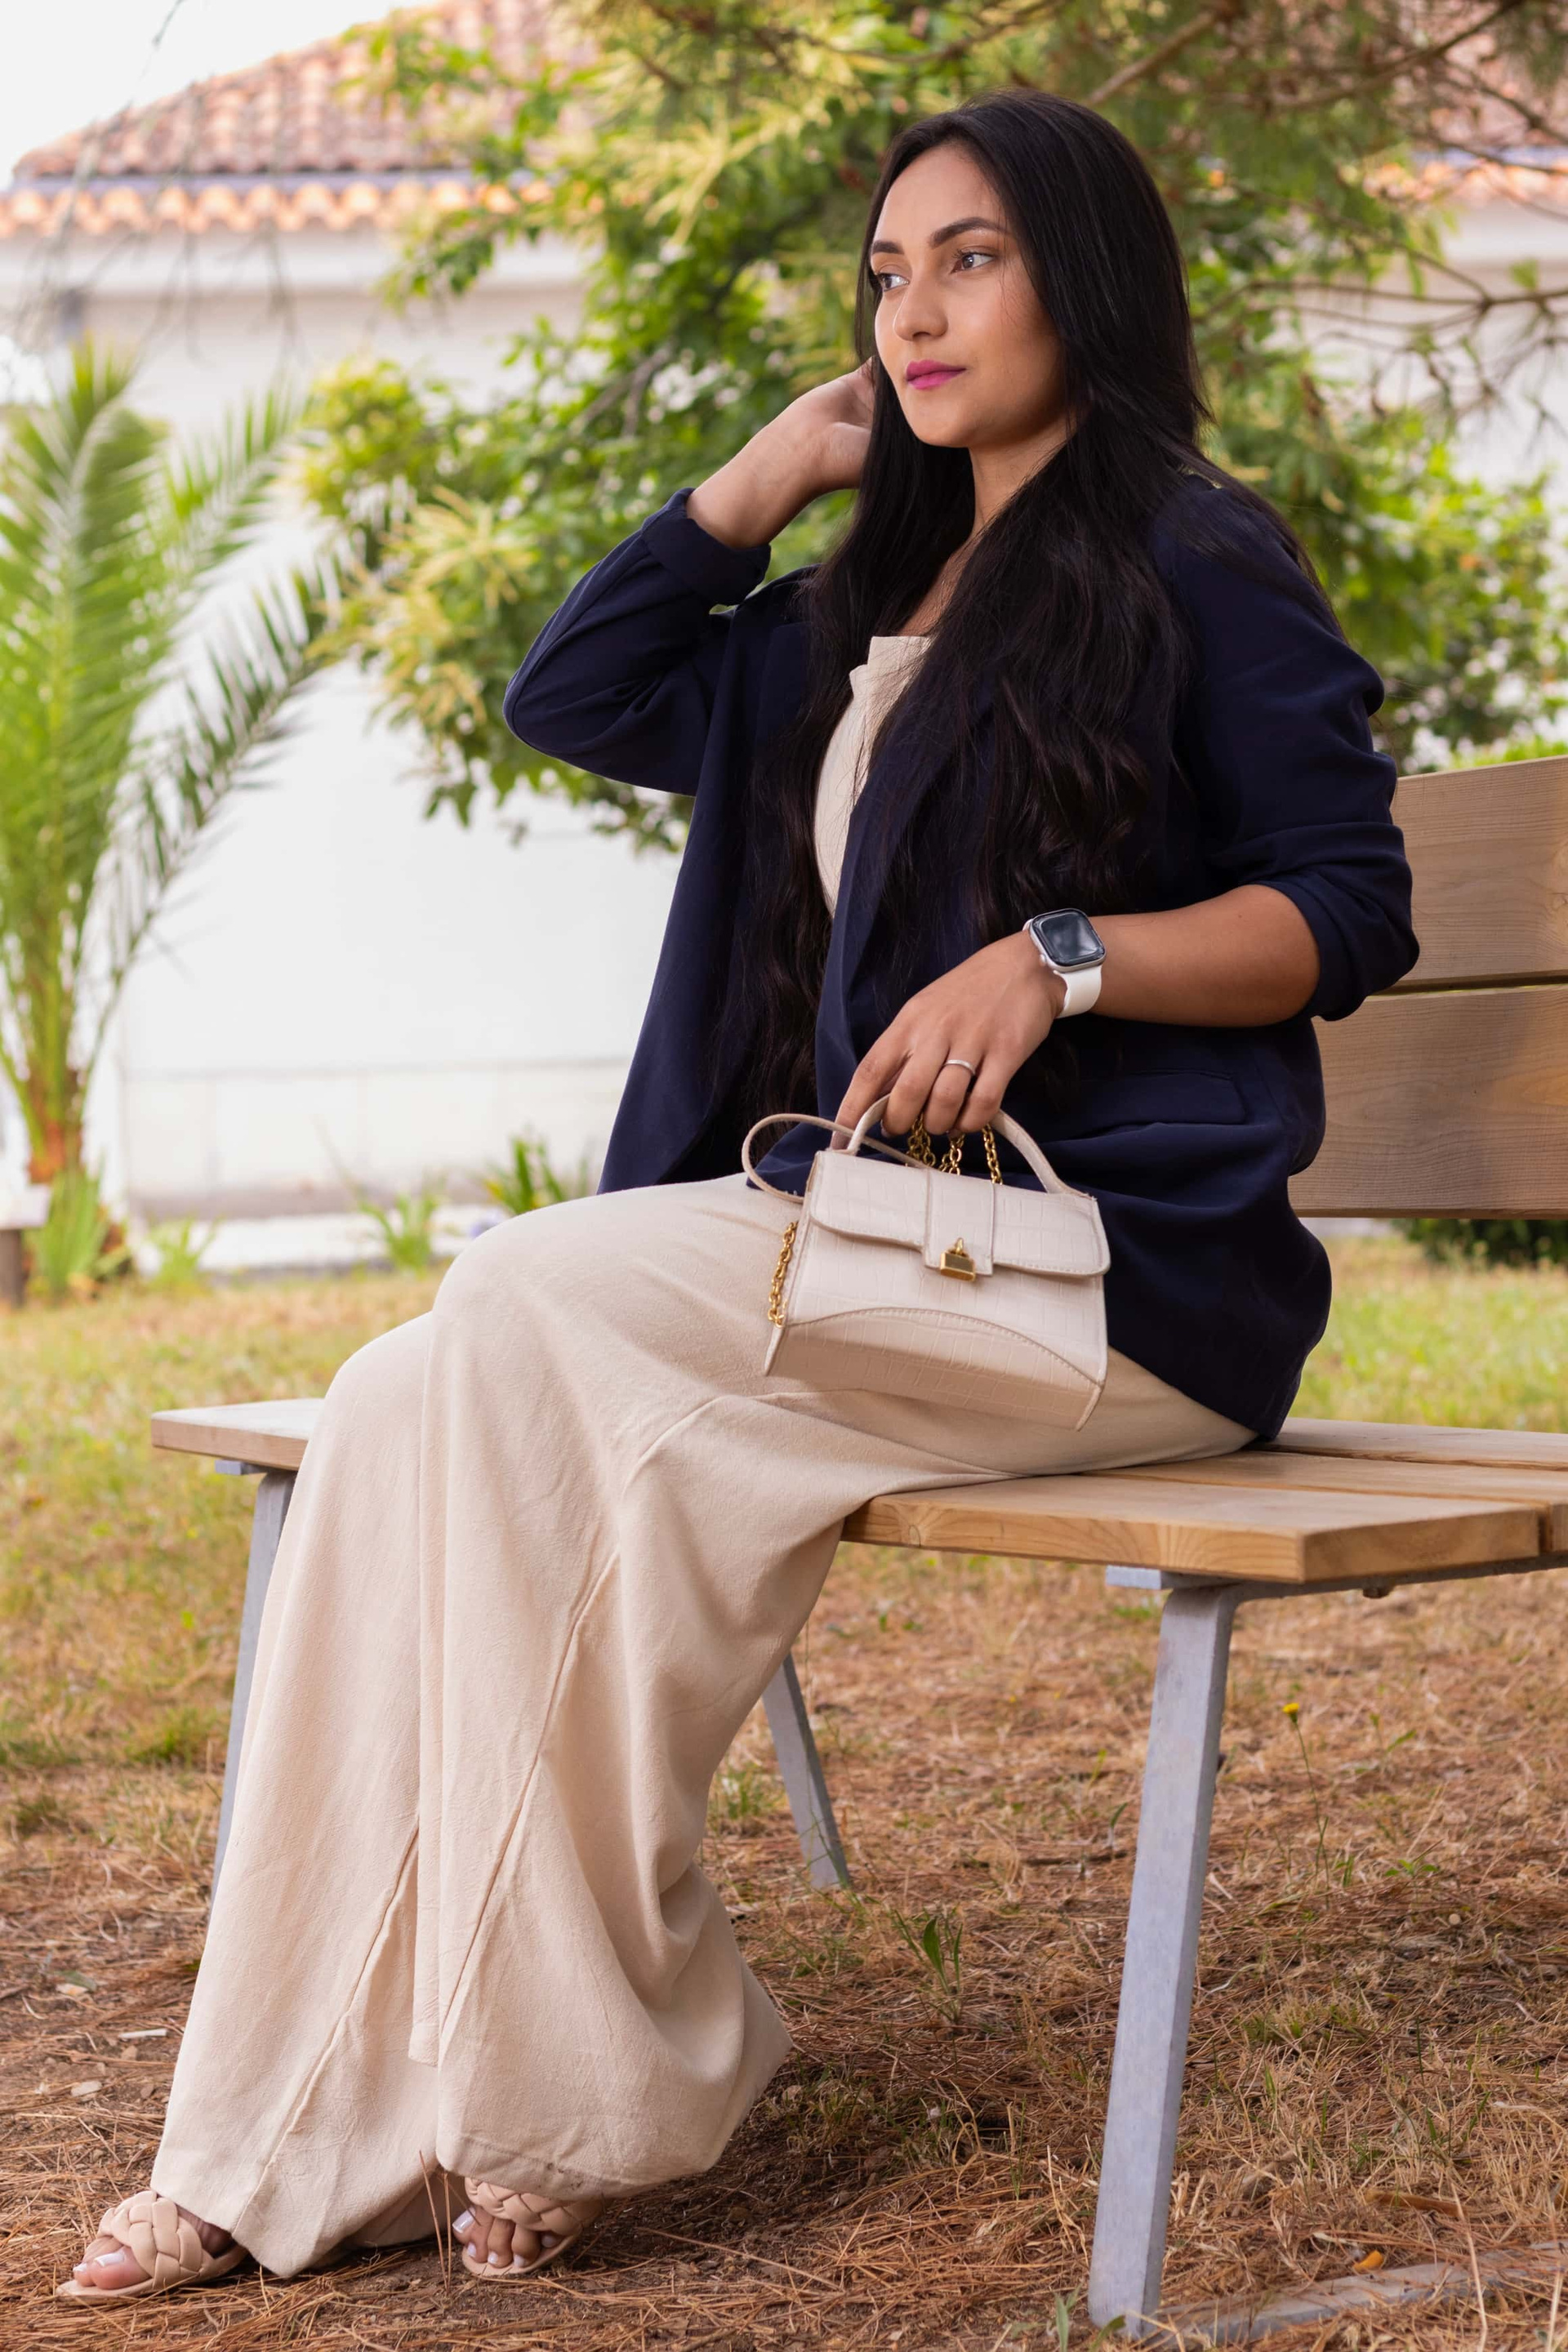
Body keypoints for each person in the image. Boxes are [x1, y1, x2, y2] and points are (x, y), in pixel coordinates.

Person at [61, 88, 1414, 2303]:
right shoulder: (843, 607)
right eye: (888, 274)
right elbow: (575, 690)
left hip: (1111, 1282)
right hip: (877, 1260)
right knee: (404, 1401)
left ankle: (572, 2085)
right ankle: (272, 2132)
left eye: (971, 258)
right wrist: (770, 475)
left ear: (1084, 275)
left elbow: (1346, 908)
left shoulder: (1192, 552)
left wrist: (1061, 959)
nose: (916, 312)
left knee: (518, 1304)